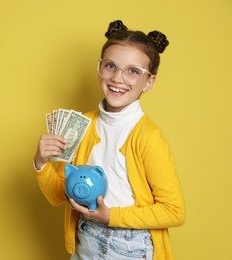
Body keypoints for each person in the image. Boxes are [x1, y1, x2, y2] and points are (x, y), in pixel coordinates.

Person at [33, 20, 185, 260]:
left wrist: (111, 217)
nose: (118, 78)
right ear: (100, 68)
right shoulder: (82, 126)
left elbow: (174, 211)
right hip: (86, 240)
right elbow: (58, 195)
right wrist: (41, 164)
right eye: (111, 66)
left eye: (133, 71)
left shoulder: (148, 137)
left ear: (149, 81)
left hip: (130, 247)